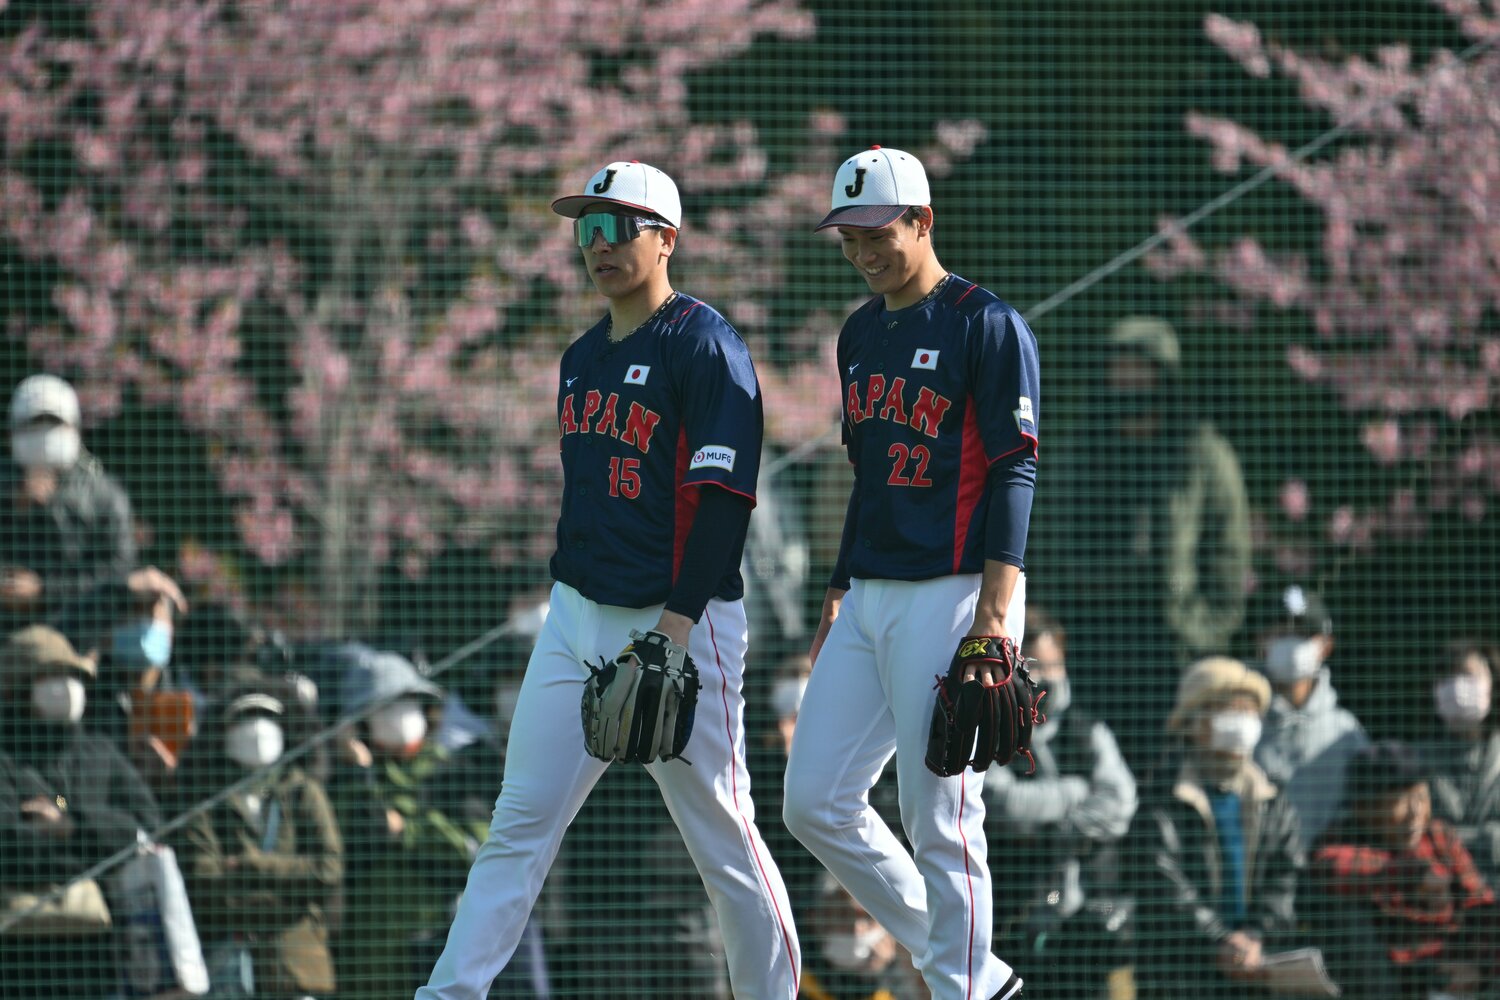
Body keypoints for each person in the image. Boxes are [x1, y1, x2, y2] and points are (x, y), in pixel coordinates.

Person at [417, 161, 799, 999]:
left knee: (724, 839)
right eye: (586, 229)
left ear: (667, 238)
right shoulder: (583, 357)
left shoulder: (705, 345)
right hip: (575, 620)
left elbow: (725, 502)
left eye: (618, 226)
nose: (598, 245)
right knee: (518, 826)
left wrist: (674, 628)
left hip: (680, 628)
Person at [783, 145, 1040, 1000]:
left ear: (922, 221)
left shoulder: (985, 323)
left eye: (875, 232)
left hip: (957, 588)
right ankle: (972, 970)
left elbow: (1014, 469)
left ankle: (963, 985)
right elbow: (869, 473)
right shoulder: (858, 333)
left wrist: (995, 616)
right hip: (870, 592)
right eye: (847, 237)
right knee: (814, 802)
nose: (861, 251)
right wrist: (836, 588)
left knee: (941, 816)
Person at [1032, 317, 1250, 764]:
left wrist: (1201, 632)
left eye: (1141, 368)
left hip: (1168, 645)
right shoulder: (1077, 453)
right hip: (1088, 641)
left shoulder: (1202, 456)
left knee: (1166, 770)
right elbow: (1041, 544)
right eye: (1120, 367)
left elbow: (1229, 556)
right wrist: (1047, 631)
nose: (1129, 380)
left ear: (1165, 375)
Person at [0, 625, 162, 998]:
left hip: (103, 954)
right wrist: (102, 853)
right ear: (15, 688)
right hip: (21, 957)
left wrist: (71, 825)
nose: (67, 688)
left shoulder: (99, 751)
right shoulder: (7, 759)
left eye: (73, 675)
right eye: (50, 676)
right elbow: (9, 846)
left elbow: (147, 826)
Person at [1126, 656, 1302, 999]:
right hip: (1180, 977)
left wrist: (1254, 937)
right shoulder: (1161, 796)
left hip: (1256, 970)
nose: (1244, 722)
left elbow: (1286, 877)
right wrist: (1218, 939)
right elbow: (1162, 883)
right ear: (1192, 721)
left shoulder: (1273, 799)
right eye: (1230, 710)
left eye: (1250, 711)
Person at [984, 606, 1137, 997]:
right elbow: (1002, 804)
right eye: (1038, 665)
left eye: (1057, 664)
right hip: (1012, 918)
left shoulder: (1087, 730)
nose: (1049, 676)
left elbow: (1120, 803)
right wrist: (1076, 792)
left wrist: (1057, 827)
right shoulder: (991, 731)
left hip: (1084, 927)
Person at [326, 645, 481, 1000]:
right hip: (367, 955)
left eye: (409, 702)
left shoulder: (452, 770)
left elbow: (475, 850)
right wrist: (359, 772)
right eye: (386, 706)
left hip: (434, 943)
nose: (400, 715)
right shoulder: (349, 778)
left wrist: (407, 830)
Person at [180, 673, 343, 1000]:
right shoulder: (206, 803)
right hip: (227, 969)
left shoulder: (304, 792)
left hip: (296, 969)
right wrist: (291, 897)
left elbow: (328, 869)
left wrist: (248, 866)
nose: (256, 728)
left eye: (267, 717)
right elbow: (203, 880)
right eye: (244, 718)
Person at [1307, 740, 1500, 999]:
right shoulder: (1343, 839)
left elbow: (1481, 904)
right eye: (1401, 801)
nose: (1415, 813)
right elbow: (1327, 867)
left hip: (1448, 971)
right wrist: (1412, 873)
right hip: (1384, 979)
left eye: (1421, 797)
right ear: (1364, 808)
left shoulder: (1439, 837)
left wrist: (1479, 968)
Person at [0, 374, 138, 631]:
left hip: (82, 631)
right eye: (33, 424)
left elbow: (120, 570)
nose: (43, 433)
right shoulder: (5, 489)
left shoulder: (103, 493)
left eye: (52, 422)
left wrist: (45, 589)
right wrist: (15, 509)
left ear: (73, 427)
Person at [1251, 583, 1369, 846]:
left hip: (1330, 877)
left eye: (1303, 635)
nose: (1291, 644)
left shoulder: (1347, 733)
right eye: (1281, 633)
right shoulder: (1243, 726)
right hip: (1260, 878)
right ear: (1261, 642)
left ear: (1326, 646)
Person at [1418, 641, 1500, 884]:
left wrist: (1450, 842)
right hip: (1441, 899)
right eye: (1447, 678)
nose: (1456, 687)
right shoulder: (1415, 762)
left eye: (1467, 675)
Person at [799, 874, 928, 1000]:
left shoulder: (911, 977)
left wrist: (887, 972)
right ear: (813, 918)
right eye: (843, 915)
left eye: (869, 918)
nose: (856, 929)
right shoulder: (792, 977)